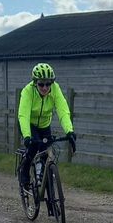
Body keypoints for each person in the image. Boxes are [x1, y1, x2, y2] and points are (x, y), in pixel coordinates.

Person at [17, 63, 76, 192]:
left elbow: (63, 111)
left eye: (48, 84)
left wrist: (69, 131)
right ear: (35, 83)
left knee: (46, 153)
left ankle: (45, 182)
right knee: (33, 148)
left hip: (44, 125)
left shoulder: (55, 89)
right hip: (29, 125)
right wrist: (27, 136)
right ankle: (24, 173)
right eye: (41, 84)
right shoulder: (27, 91)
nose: (45, 87)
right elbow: (23, 115)